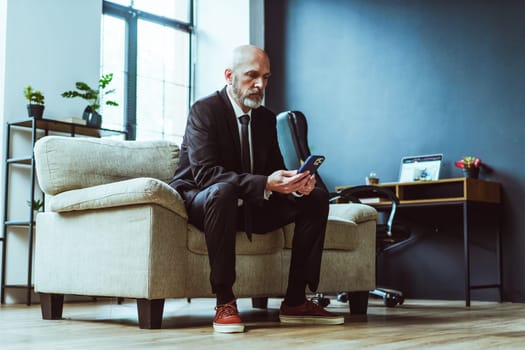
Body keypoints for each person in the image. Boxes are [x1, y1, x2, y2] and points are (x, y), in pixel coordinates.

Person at [169, 45, 344, 333]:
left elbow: (273, 170)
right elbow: (205, 174)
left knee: (316, 198)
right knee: (222, 191)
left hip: (250, 205)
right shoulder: (204, 110)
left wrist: (295, 185)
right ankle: (225, 300)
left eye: (266, 77)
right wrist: (265, 183)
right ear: (229, 76)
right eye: (252, 76)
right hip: (205, 201)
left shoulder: (265, 119)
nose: (260, 85)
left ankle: (296, 301)